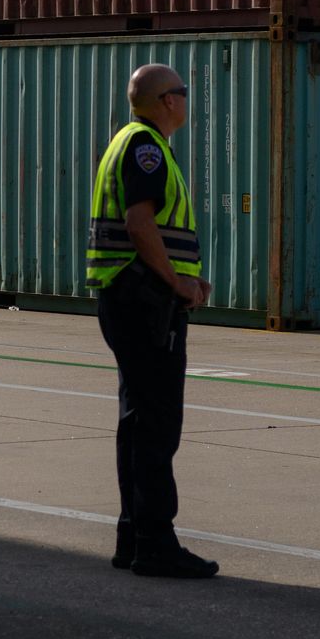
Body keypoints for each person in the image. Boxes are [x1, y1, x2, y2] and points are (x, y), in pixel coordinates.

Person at [85, 63, 218, 578]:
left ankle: (133, 537)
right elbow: (141, 224)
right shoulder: (146, 148)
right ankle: (155, 542)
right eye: (183, 93)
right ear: (167, 101)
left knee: (137, 424)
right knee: (158, 426)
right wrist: (177, 282)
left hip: (131, 298)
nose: (187, 101)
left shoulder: (128, 141)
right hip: (144, 302)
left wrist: (186, 276)